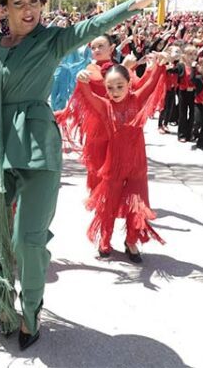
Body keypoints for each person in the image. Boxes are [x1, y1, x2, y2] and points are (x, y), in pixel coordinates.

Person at [0, 0, 191, 350]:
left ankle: (31, 310)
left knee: (28, 239)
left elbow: (97, 24)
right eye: (18, 2)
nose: (28, 9)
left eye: (34, 1)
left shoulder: (53, 40)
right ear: (3, 9)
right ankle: (2, 306)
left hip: (39, 149)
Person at [66, 59, 167, 261]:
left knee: (136, 204)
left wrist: (159, 65)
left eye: (120, 86)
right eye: (110, 87)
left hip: (137, 164)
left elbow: (153, 82)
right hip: (114, 165)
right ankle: (105, 239)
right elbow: (86, 94)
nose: (115, 91)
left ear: (129, 84)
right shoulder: (105, 106)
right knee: (108, 204)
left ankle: (131, 241)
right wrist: (81, 80)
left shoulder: (137, 99)